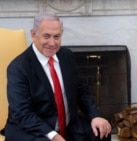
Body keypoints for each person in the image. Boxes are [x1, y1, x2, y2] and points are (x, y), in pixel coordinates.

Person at [4, 12, 111, 141]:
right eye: (46, 36)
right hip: (32, 131)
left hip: (67, 126)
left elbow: (82, 91)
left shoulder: (66, 56)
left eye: (57, 37)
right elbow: (22, 113)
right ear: (33, 34)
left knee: (102, 132)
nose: (52, 43)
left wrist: (95, 116)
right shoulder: (18, 68)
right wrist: (53, 136)